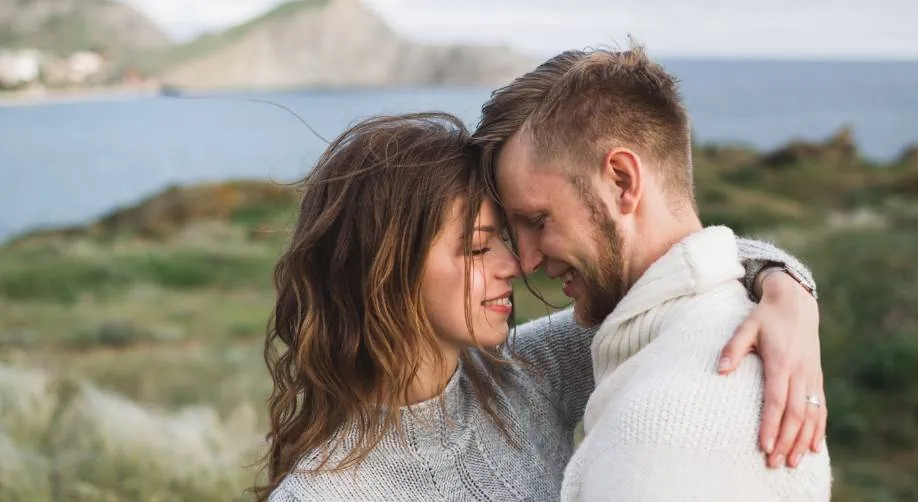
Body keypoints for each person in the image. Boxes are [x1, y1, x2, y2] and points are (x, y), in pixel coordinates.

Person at [257, 110, 823, 502]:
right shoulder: (320, 492)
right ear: (382, 270)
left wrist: (786, 288)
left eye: (504, 235)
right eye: (478, 247)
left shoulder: (527, 373)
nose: (516, 262)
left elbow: (672, 271)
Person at [472, 45, 831, 501]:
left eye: (539, 221)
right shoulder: (659, 329)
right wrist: (782, 281)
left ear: (622, 182)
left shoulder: (667, 432)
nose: (524, 262)